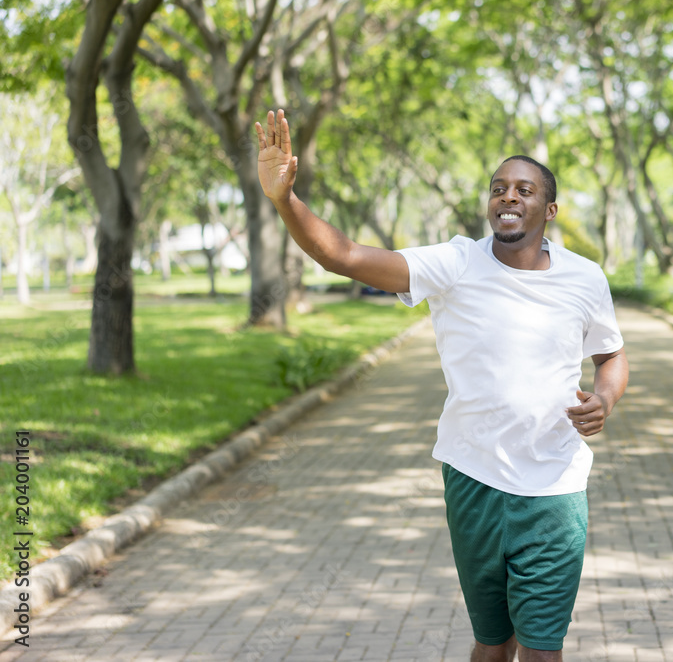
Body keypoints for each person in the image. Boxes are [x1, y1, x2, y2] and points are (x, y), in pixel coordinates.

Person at [256, 109, 628, 662]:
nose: (508, 197)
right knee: (492, 642)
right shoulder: (455, 263)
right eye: (499, 188)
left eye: (524, 190)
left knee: (543, 648)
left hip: (555, 487)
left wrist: (605, 398)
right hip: (473, 478)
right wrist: (285, 199)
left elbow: (612, 355)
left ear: (548, 210)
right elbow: (346, 256)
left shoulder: (585, 277)